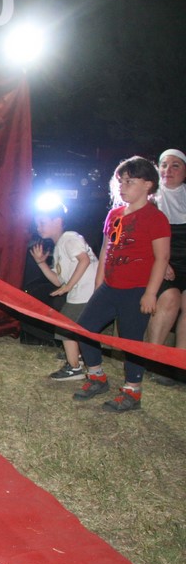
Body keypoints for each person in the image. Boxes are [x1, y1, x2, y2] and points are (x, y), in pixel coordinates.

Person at [73, 156, 170, 412]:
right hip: (110, 287)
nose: (123, 187)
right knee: (84, 328)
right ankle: (96, 376)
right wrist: (99, 285)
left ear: (148, 185)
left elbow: (162, 258)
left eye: (129, 181)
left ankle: (132, 391)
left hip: (136, 290)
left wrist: (150, 293)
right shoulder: (114, 215)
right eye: (121, 182)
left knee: (131, 341)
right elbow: (106, 251)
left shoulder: (155, 218)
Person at [29, 199, 98, 380]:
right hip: (79, 292)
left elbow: (84, 260)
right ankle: (77, 358)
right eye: (37, 224)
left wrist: (69, 286)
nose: (38, 227)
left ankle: (74, 367)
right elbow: (58, 280)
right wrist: (41, 263)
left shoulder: (70, 238)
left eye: (42, 222)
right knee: (71, 327)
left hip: (86, 291)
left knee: (64, 326)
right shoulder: (60, 246)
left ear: (58, 221)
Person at [145, 148, 186, 385]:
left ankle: (179, 365)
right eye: (163, 165)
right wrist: (161, 261)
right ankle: (153, 360)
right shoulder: (151, 197)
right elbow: (142, 237)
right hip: (160, 262)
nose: (168, 170)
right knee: (170, 298)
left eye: (175, 165)